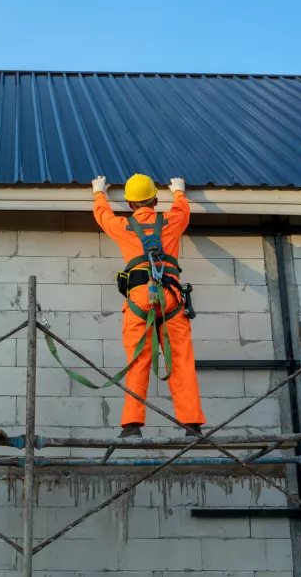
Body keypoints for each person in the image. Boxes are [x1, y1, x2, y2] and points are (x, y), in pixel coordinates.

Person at [92, 174, 205, 438]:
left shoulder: (123, 226)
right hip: (171, 297)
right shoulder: (171, 221)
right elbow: (182, 209)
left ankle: (132, 425)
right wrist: (178, 190)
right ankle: (192, 425)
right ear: (155, 200)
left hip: (139, 299)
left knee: (138, 360)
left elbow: (103, 216)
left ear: (130, 204)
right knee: (180, 361)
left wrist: (99, 192)